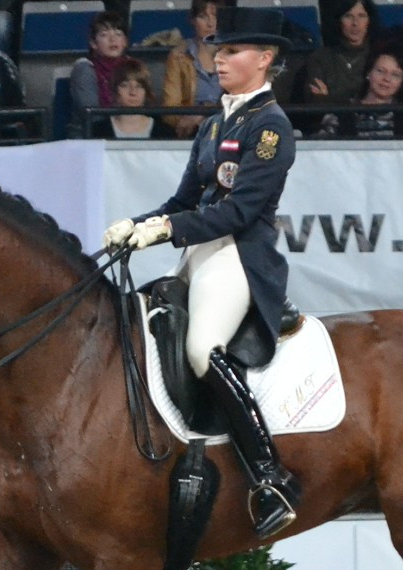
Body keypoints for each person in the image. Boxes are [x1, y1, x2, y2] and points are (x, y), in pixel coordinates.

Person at [103, 6, 300, 540]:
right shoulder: (215, 124)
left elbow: (237, 212)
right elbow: (182, 199)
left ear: (264, 60)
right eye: (219, 49)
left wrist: (164, 229)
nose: (221, 57)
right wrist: (135, 225)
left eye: (233, 51)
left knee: (200, 348)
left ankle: (269, 476)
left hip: (239, 255)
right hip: (199, 253)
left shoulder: (270, 128)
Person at [315, 43, 403, 138]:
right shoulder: (339, 114)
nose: (386, 79)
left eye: (395, 75)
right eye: (380, 71)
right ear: (368, 73)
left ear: (402, 81)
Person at [162, 0, 222, 138]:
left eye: (215, 16)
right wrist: (190, 121)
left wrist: (204, 114)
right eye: (203, 17)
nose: (210, 23)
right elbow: (170, 108)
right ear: (193, 20)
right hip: (191, 132)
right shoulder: (178, 56)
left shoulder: (233, 54)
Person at [68, 11, 133, 138]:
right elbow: (92, 115)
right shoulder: (84, 69)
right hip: (89, 134)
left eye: (118, 34)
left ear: (125, 41)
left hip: (128, 130)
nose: (112, 39)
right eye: (104, 35)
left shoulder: (132, 67)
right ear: (93, 43)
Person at [303, 0, 377, 105]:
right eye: (348, 16)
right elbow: (314, 101)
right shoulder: (320, 58)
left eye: (361, 16)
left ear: (369, 20)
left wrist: (329, 99)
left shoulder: (380, 56)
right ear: (338, 20)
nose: (355, 23)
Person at [89, 57, 173, 138]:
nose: (133, 92)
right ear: (114, 90)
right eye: (125, 86)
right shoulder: (97, 131)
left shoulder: (165, 132)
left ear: (146, 91)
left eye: (139, 86)